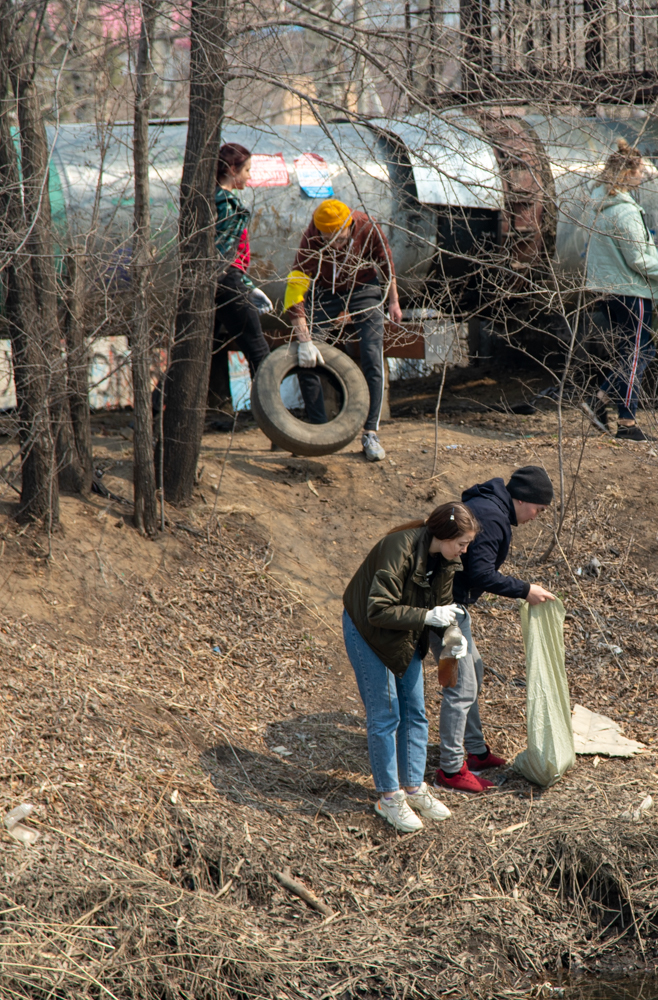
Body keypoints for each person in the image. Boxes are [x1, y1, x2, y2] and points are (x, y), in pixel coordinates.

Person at [343, 501, 478, 833]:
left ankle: (414, 788)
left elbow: (441, 608)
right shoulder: (399, 549)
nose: (464, 551)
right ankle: (389, 797)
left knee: (415, 710)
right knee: (386, 713)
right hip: (367, 629)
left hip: (403, 631)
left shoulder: (446, 561)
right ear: (444, 536)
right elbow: (377, 610)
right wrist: (427, 616)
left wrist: (450, 634)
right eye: (462, 544)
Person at [432, 466, 558, 793]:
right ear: (522, 499)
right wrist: (524, 589)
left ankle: (474, 752)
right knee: (460, 687)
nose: (538, 515)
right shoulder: (491, 517)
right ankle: (450, 769)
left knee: (472, 668)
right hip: (442, 611)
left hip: (454, 607)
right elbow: (480, 574)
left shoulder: (491, 507)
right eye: (538, 508)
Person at [580, 139, 658, 443]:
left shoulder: (597, 203)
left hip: (607, 290)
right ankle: (627, 423)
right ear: (626, 172)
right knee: (636, 356)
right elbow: (640, 261)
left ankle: (599, 401)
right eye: (640, 171)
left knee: (635, 352)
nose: (644, 176)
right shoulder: (625, 212)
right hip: (632, 292)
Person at [285, 199, 402, 462]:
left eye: (339, 239)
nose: (334, 245)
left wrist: (393, 301)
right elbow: (295, 288)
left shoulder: (366, 227)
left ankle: (371, 432)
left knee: (372, 353)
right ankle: (318, 431)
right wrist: (305, 341)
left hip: (364, 288)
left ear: (349, 225)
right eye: (328, 240)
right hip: (325, 291)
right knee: (305, 358)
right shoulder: (311, 238)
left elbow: (386, 266)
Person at [210, 143, 273, 427]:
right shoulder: (227, 204)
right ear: (232, 170)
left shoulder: (207, 198)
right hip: (227, 282)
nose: (249, 176)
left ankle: (151, 413)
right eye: (247, 170)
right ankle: (276, 421)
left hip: (211, 284)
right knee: (258, 350)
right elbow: (223, 255)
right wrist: (244, 285)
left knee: (195, 349)